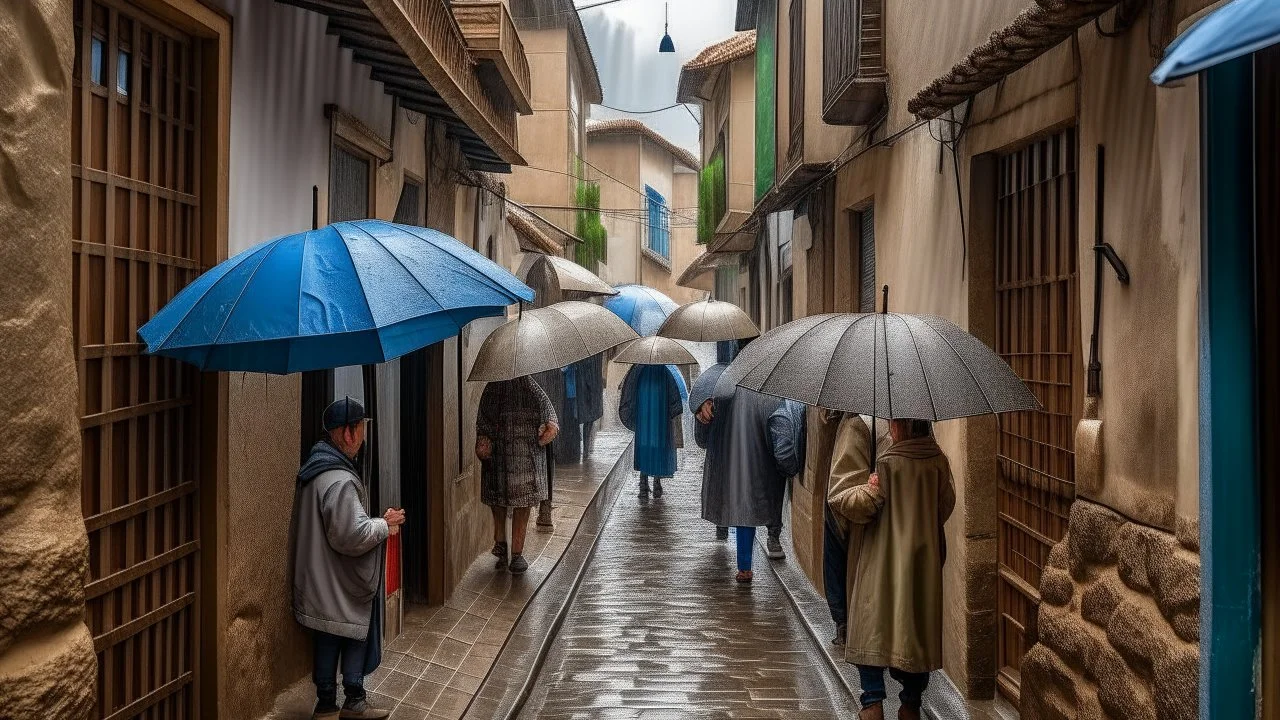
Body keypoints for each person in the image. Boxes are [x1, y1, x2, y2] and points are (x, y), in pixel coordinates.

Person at [828, 419, 956, 720]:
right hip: (921, 563)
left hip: (879, 557)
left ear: (898, 426)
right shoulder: (938, 460)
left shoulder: (885, 462)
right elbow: (946, 504)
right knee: (916, 629)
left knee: (871, 624)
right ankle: (910, 703)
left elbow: (846, 501)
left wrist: (872, 489)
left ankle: (872, 703)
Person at [291, 397, 406, 720]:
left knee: (328, 635)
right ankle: (354, 699)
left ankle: (326, 703)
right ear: (348, 433)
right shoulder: (339, 480)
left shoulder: (315, 468)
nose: (364, 437)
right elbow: (351, 535)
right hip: (338, 580)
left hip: (318, 579)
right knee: (355, 628)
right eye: (361, 429)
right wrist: (385, 524)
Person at [696, 341, 792, 582]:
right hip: (763, 456)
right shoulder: (773, 387)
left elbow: (704, 438)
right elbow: (782, 429)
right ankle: (773, 537)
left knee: (741, 507)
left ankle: (745, 566)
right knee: (761, 500)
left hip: (734, 457)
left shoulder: (722, 386)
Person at [475, 376, 559, 575]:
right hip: (502, 456)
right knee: (500, 504)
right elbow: (483, 421)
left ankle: (516, 552)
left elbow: (550, 418)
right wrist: (484, 440)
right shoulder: (495, 389)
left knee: (519, 506)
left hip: (525, 456)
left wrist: (548, 429)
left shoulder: (530, 388)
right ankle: (502, 543)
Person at [824, 413, 891, 647]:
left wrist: (874, 490)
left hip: (867, 525)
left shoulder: (858, 424)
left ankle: (843, 623)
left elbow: (841, 495)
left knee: (838, 561)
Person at [619, 362, 685, 497]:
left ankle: (643, 483)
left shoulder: (637, 370)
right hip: (660, 408)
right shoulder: (665, 370)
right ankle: (656, 482)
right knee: (658, 442)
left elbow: (629, 394)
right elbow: (674, 398)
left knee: (644, 443)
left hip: (643, 408)